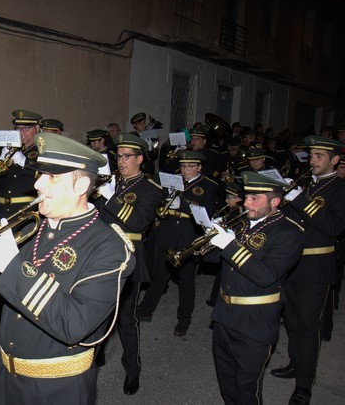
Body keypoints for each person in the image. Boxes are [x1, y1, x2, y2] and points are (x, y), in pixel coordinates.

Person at [0, 132, 134, 405]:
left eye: (52, 177)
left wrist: (9, 264)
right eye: (40, 174)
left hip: (57, 389)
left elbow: (74, 324)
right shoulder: (32, 226)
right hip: (4, 376)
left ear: (82, 186)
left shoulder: (110, 248)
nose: (38, 183)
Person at [208, 172, 303, 405]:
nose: (246, 203)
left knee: (246, 389)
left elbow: (265, 275)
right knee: (226, 381)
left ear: (275, 202)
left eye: (255, 199)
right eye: (246, 197)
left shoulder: (289, 232)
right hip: (224, 314)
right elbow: (210, 262)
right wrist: (211, 237)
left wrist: (230, 245)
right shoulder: (240, 222)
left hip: (255, 321)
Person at [271, 135, 345, 405]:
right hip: (290, 265)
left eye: (319, 156)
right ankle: (294, 363)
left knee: (307, 327)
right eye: (311, 155)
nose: (312, 161)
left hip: (315, 268)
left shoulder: (340, 189)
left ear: (334, 160)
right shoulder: (305, 183)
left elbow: (333, 227)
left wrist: (299, 200)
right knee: (291, 322)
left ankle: (304, 385)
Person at [101, 133, 162, 396]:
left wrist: (110, 198)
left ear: (140, 159)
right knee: (96, 311)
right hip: (100, 254)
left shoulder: (151, 190)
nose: (121, 161)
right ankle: (96, 353)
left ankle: (132, 369)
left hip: (129, 255)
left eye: (127, 157)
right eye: (118, 156)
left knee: (126, 317)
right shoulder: (109, 183)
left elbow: (138, 223)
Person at [137, 150, 218, 336]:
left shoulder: (208, 185)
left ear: (199, 167)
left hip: (189, 238)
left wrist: (182, 203)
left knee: (186, 282)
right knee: (158, 277)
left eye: (190, 166)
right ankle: (145, 309)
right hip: (166, 234)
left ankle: (184, 319)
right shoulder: (173, 181)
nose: (185, 170)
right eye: (182, 166)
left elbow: (206, 212)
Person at [0, 109, 41, 219]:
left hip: (26, 212)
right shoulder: (6, 148)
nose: (21, 132)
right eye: (18, 128)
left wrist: (24, 162)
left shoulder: (42, 151)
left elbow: (44, 175)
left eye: (26, 128)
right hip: (2, 211)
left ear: (37, 128)